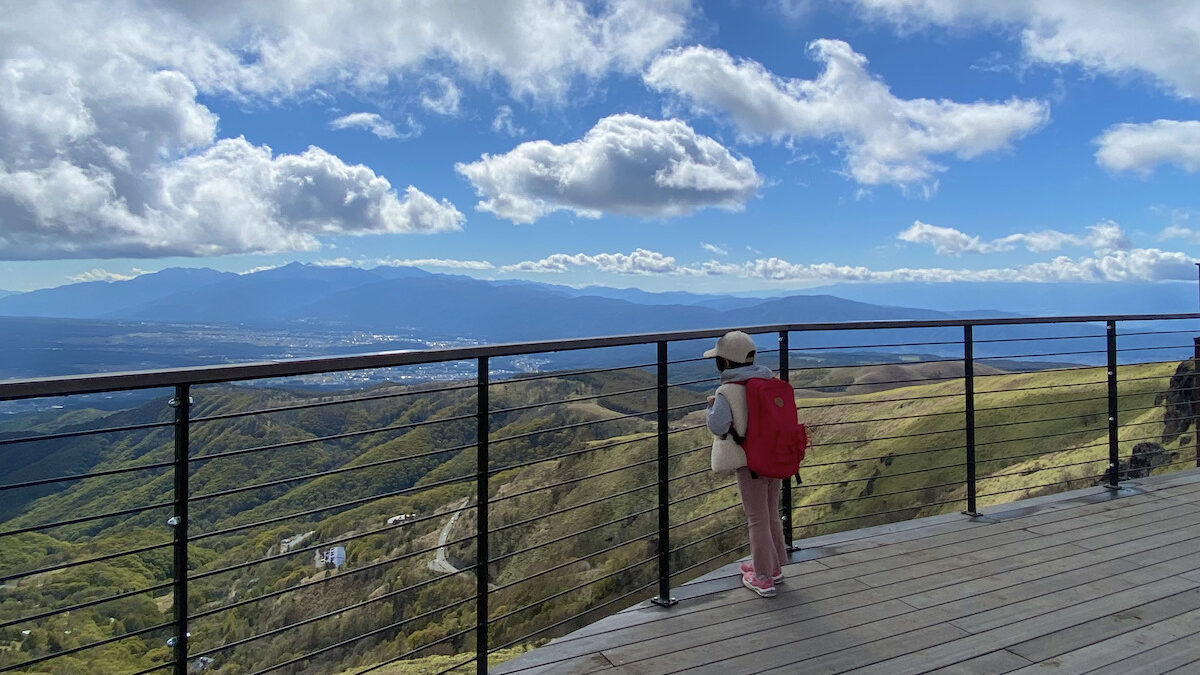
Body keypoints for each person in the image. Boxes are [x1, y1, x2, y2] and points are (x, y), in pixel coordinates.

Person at [704, 330, 788, 598]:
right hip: (774, 457)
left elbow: (717, 426)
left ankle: (762, 578)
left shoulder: (727, 390)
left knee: (756, 519)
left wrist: (712, 406)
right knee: (770, 512)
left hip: (749, 462)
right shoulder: (768, 381)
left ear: (726, 363)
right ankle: (774, 567)